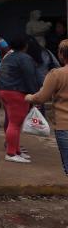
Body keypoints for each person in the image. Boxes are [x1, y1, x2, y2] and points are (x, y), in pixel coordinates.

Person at [25, 38, 68, 176]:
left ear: (61, 54)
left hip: (64, 125)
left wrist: (29, 97)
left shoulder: (57, 74)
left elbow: (41, 98)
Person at [0, 34, 39, 163]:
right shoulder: (25, 58)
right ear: (25, 46)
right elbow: (30, 77)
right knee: (15, 124)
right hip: (16, 92)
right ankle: (11, 153)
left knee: (13, 122)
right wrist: (35, 95)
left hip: (3, 90)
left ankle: (16, 151)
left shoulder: (8, 56)